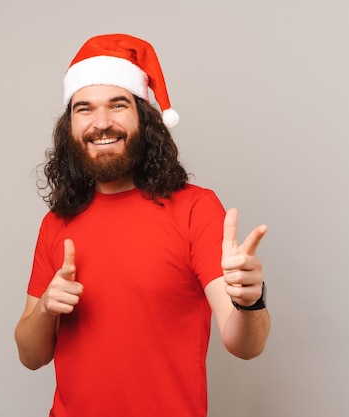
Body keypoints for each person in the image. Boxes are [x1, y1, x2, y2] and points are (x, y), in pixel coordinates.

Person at [14, 33, 270, 417]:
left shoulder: (195, 209)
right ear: (70, 126)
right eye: (84, 108)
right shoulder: (56, 223)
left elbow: (243, 344)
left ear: (144, 117)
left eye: (117, 105)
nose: (101, 123)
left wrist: (251, 302)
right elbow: (31, 356)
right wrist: (46, 309)